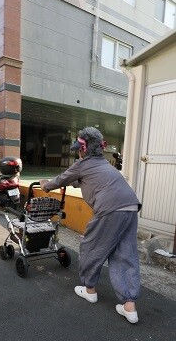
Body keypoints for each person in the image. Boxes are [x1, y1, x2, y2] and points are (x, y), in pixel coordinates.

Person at [39, 127, 142, 324]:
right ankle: (129, 306)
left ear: (84, 149)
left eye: (79, 148)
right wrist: (75, 182)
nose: (78, 151)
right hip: (130, 206)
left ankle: (89, 289)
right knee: (124, 253)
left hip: (110, 209)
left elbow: (61, 179)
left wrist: (45, 185)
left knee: (91, 246)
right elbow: (90, 181)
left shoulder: (82, 164)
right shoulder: (106, 165)